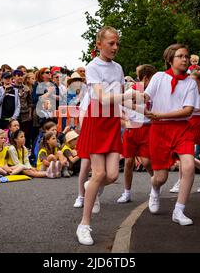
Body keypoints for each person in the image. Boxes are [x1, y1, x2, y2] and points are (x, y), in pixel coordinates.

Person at [75, 26, 134, 246]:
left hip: (111, 122)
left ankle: (91, 186)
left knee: (112, 176)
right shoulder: (92, 67)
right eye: (111, 43)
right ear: (99, 44)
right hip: (96, 121)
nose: (115, 47)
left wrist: (136, 102)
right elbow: (101, 97)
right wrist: (128, 94)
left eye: (117, 43)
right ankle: (84, 225)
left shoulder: (118, 68)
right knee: (99, 173)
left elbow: (118, 99)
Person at [142, 43, 199, 227]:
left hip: (182, 129)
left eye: (186, 56)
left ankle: (179, 210)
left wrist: (160, 115)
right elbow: (146, 97)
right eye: (180, 56)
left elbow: (188, 111)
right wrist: (131, 98)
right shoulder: (158, 77)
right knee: (161, 178)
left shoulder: (190, 82)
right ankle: (155, 189)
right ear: (169, 59)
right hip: (159, 131)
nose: (185, 59)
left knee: (189, 166)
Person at [117, 64, 156, 203]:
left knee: (147, 162)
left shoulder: (154, 92)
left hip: (147, 128)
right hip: (131, 129)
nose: (154, 83)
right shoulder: (132, 91)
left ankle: (156, 186)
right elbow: (119, 104)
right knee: (128, 162)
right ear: (146, 79)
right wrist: (126, 120)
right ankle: (127, 192)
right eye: (152, 79)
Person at [170, 70, 200, 193]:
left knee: (185, 153)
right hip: (185, 122)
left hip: (196, 123)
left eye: (194, 81)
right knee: (183, 153)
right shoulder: (186, 93)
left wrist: (197, 107)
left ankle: (181, 181)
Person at [13, 69, 33, 148]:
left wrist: (30, 114)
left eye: (21, 75)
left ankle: (26, 148)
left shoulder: (27, 89)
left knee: (25, 133)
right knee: (15, 133)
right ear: (14, 77)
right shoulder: (11, 88)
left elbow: (30, 102)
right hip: (15, 115)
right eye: (18, 76)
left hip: (25, 114)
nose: (20, 77)